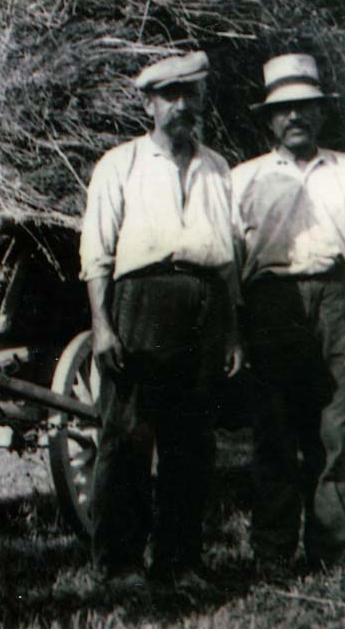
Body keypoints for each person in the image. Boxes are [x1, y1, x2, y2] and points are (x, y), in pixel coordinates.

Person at [79, 51, 244, 594]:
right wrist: (103, 325)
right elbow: (97, 253)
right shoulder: (120, 164)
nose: (180, 106)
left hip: (204, 302)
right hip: (142, 300)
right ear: (149, 104)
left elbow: (228, 257)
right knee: (129, 434)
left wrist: (231, 330)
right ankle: (120, 564)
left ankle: (180, 560)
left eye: (189, 94)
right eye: (169, 96)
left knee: (192, 439)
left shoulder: (217, 167)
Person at [232, 53, 345, 579]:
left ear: (322, 112)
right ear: (270, 119)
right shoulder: (244, 179)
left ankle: (332, 545)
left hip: (337, 298)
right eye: (284, 109)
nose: (295, 116)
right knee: (275, 426)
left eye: (305, 106)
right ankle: (273, 551)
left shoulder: (343, 170)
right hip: (271, 302)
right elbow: (230, 256)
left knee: (337, 425)